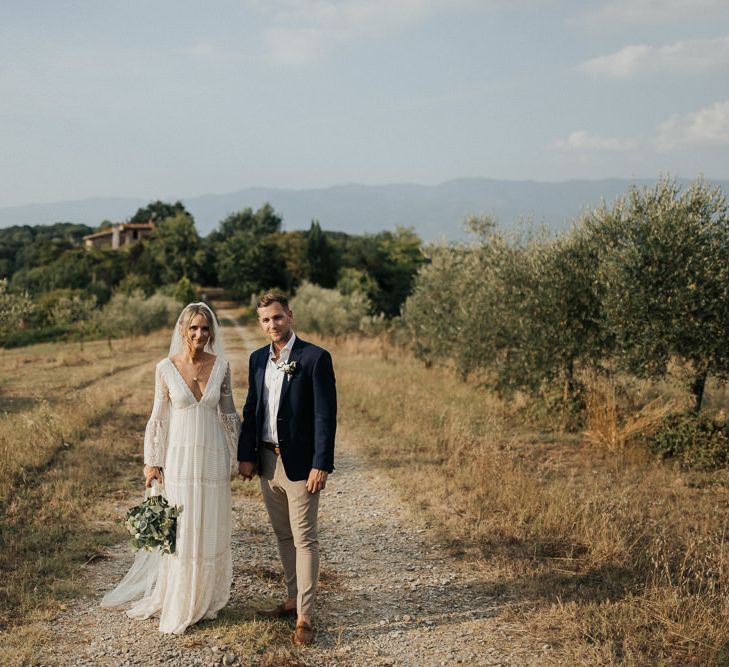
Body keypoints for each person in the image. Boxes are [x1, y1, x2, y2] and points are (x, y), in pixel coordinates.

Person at [101, 302, 240, 635]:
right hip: (178, 458)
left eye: (205, 328)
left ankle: (206, 599)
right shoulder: (165, 368)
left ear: (212, 332)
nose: (200, 334)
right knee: (182, 529)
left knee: (208, 525)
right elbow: (158, 418)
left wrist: (239, 456)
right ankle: (180, 598)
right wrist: (152, 461)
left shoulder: (221, 366)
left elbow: (230, 415)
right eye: (193, 328)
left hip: (211, 458)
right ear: (182, 330)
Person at [238, 292, 336, 646]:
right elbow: (253, 409)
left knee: (305, 538)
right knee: (283, 536)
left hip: (300, 465)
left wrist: (321, 463)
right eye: (265, 320)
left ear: (289, 316)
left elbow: (325, 415)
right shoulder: (257, 359)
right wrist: (246, 454)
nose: (272, 325)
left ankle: (305, 617)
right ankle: (292, 599)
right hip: (266, 460)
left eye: (277, 318)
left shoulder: (315, 358)